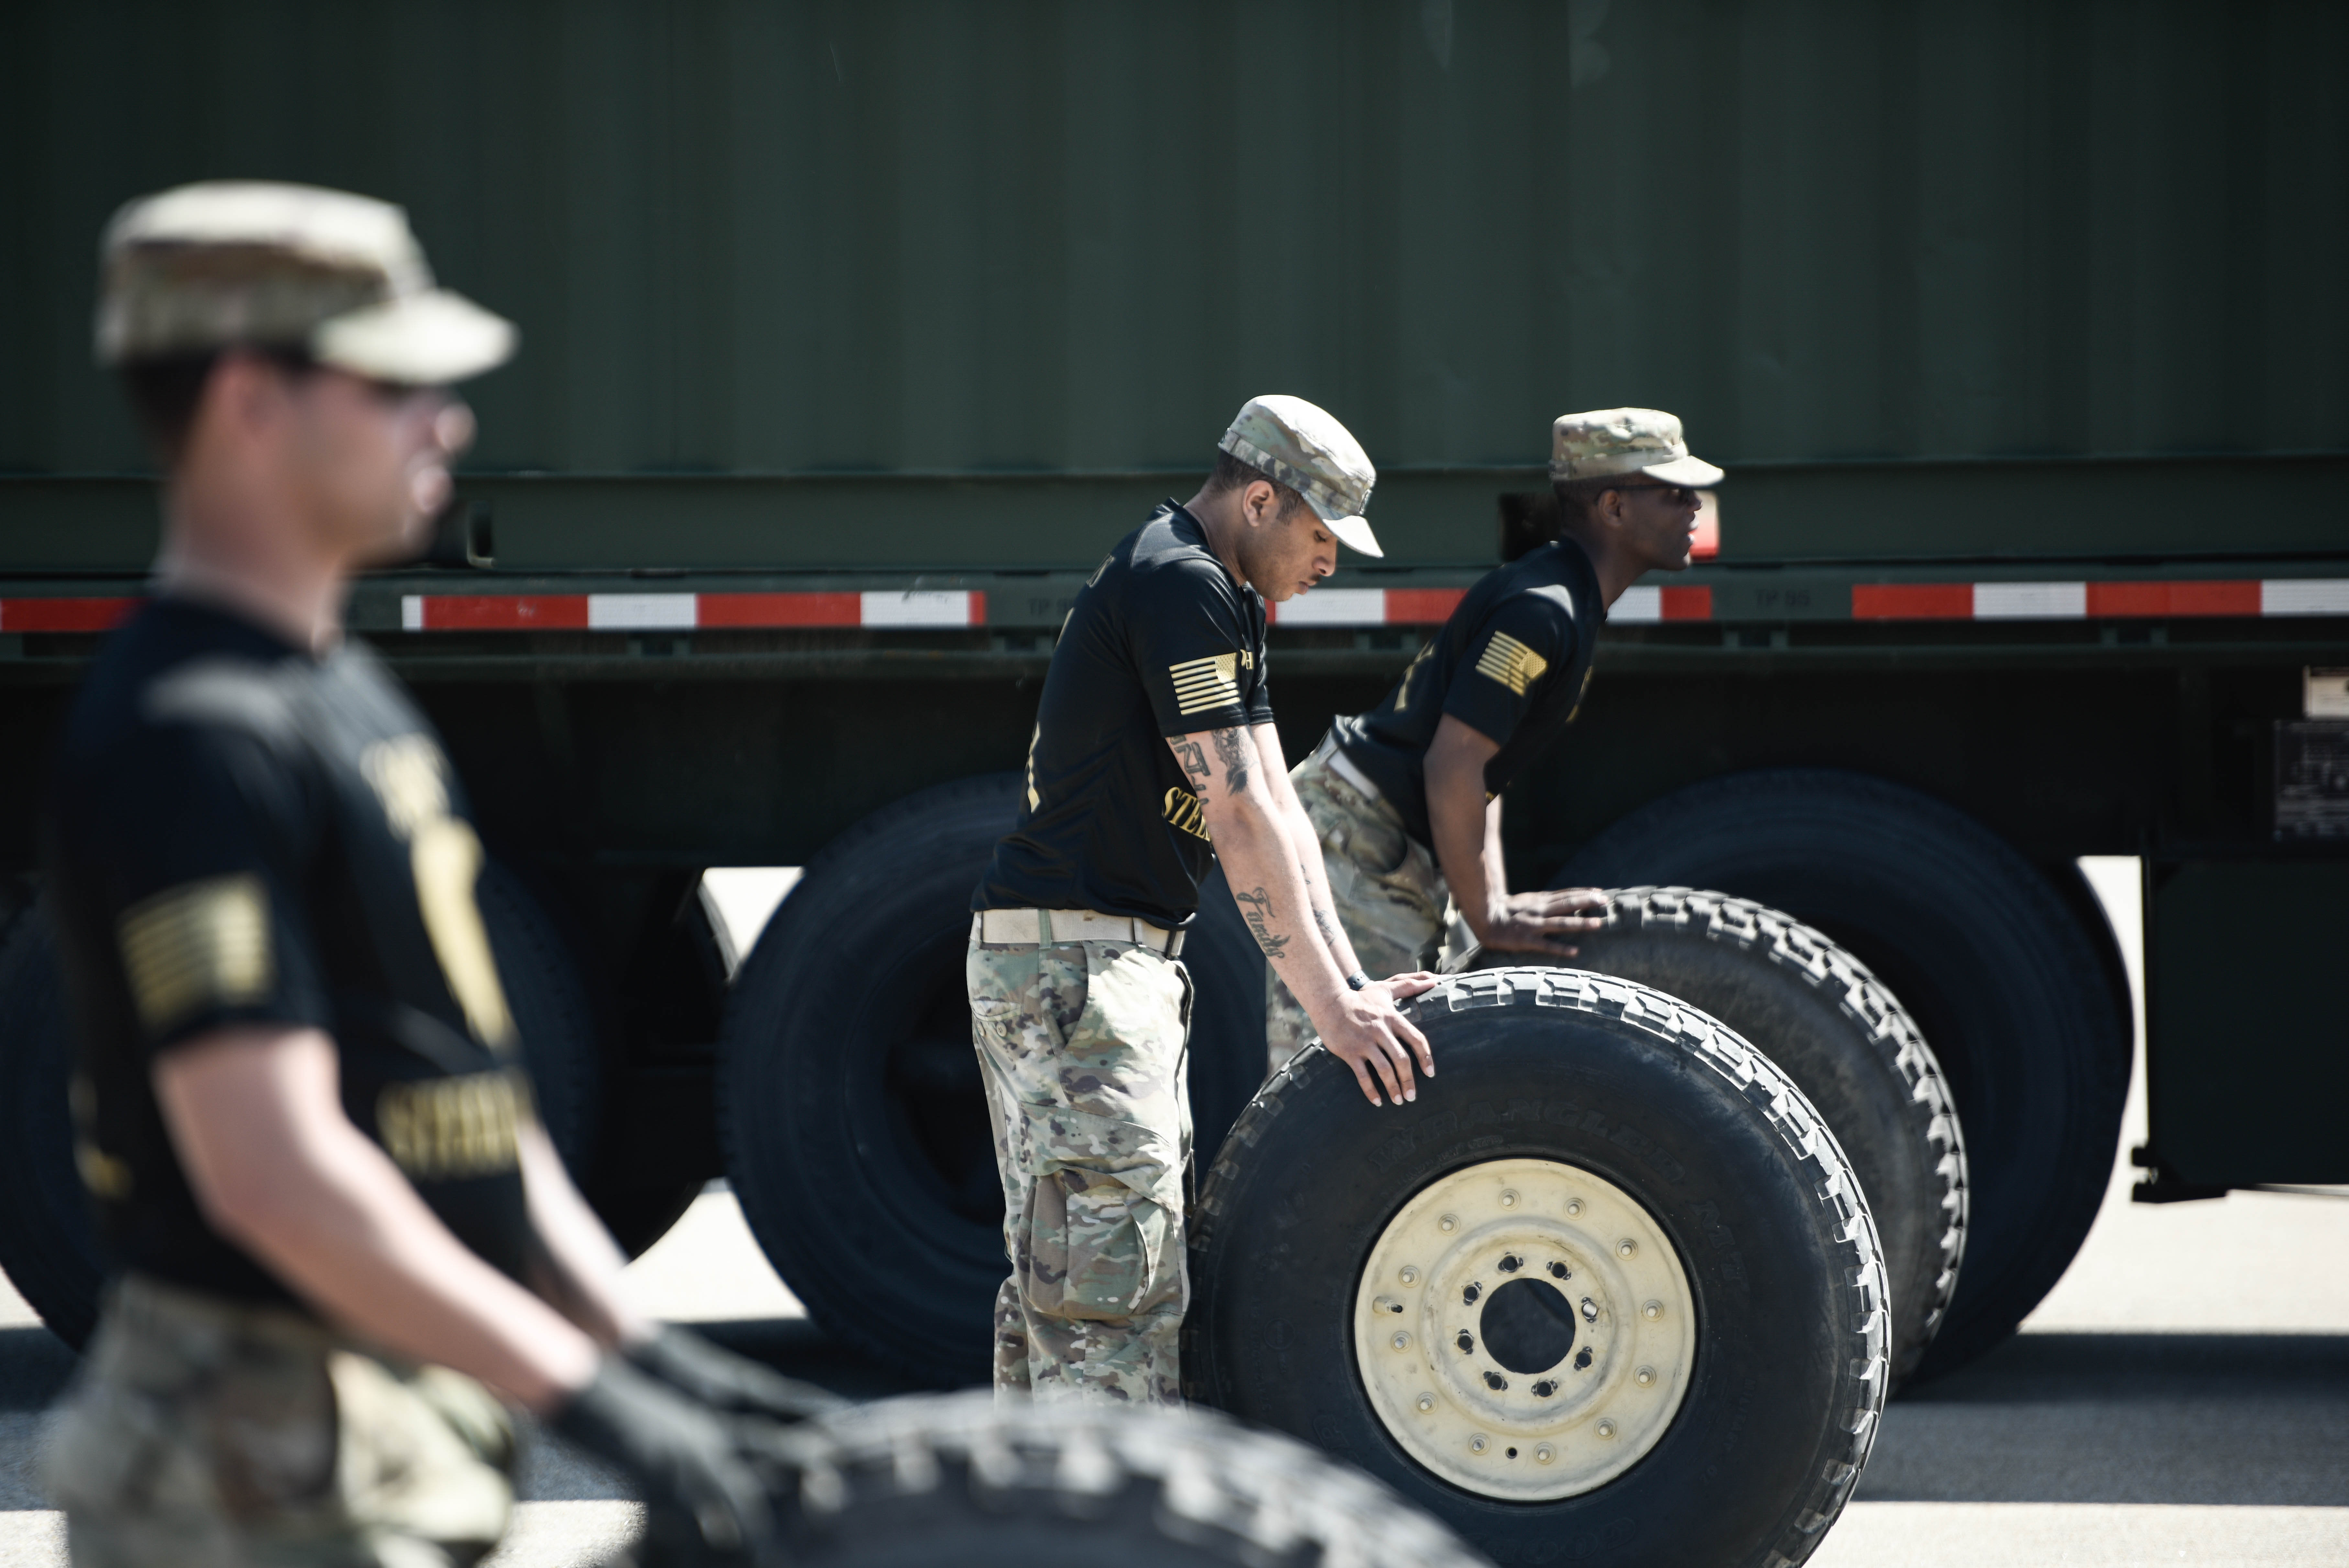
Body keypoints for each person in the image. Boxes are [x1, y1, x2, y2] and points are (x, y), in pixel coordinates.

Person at [40, 181, 826, 1568]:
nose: (445, 422)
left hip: (372, 1414)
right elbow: (270, 1170)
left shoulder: (340, 692)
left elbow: (466, 1100)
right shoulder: (187, 735)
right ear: (249, 402)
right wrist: (589, 1397)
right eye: (395, 383)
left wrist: (648, 1355)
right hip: (241, 1455)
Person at [968, 395, 1440, 1406]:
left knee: (1083, 1285)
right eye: (1321, 537)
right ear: (1262, 498)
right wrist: (1328, 1009)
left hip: (1103, 964)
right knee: (1108, 1301)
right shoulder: (1179, 582)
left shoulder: (1218, 592)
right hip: (1075, 969)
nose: (1330, 563)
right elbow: (1231, 812)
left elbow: (1279, 808)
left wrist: (1351, 982)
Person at [1264, 408, 1723, 1075]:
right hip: (1357, 847)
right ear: (1616, 507)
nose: (1694, 506)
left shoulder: (1565, 596)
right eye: (1674, 491)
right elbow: (1454, 762)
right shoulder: (1544, 608)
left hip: (1384, 845)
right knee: (1336, 1090)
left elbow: (1484, 769)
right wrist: (1489, 914)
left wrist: (1494, 900)